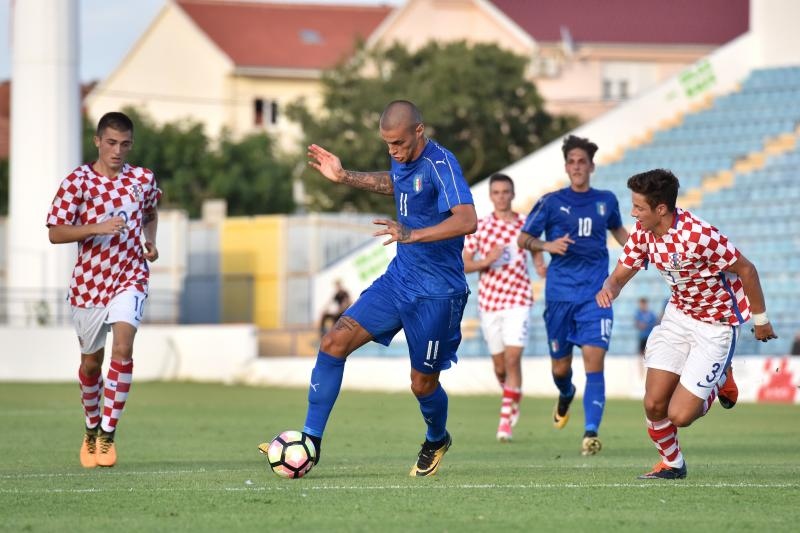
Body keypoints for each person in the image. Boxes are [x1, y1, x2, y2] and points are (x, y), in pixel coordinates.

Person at [258, 100, 476, 477]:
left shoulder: (442, 165)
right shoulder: (403, 158)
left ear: (419, 132)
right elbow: (396, 182)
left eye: (398, 144)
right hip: (400, 280)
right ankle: (310, 441)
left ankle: (437, 437)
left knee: (422, 385)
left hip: (438, 293)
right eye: (387, 144)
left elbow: (468, 219)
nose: (393, 151)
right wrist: (345, 177)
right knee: (333, 342)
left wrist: (413, 234)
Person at [596, 168, 777, 479]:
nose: (633, 212)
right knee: (654, 404)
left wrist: (760, 321)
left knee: (679, 415)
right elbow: (620, 276)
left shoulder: (699, 236)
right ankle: (672, 463)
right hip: (678, 318)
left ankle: (721, 378)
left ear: (661, 209)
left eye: (639, 207)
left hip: (715, 326)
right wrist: (608, 290)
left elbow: (747, 270)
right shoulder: (642, 233)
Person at [46, 111, 161, 468]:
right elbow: (56, 232)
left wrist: (150, 242)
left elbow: (151, 212)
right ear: (97, 141)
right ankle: (91, 427)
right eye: (111, 142)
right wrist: (95, 227)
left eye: (125, 144)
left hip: (130, 277)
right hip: (88, 284)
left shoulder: (142, 179)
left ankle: (108, 435)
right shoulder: (77, 182)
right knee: (91, 365)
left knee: (123, 349)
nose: (118, 150)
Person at [517, 135, 629, 456]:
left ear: (591, 166)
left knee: (595, 362)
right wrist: (546, 246)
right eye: (572, 162)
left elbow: (620, 232)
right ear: (566, 167)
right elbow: (524, 238)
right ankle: (566, 394)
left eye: (583, 162)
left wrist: (643, 251)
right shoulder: (551, 202)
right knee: (561, 370)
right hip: (560, 297)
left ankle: (590, 433)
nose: (577, 167)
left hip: (596, 296)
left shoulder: (606, 201)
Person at [463, 173, 544, 442]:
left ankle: (505, 421)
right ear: (491, 196)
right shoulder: (481, 227)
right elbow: (464, 263)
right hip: (490, 303)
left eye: (505, 191)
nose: (501, 196)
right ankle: (513, 394)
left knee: (512, 359)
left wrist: (540, 262)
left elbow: (534, 248)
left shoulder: (524, 224)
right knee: (500, 366)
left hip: (519, 299)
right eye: (496, 192)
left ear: (512, 194)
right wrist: (486, 260)